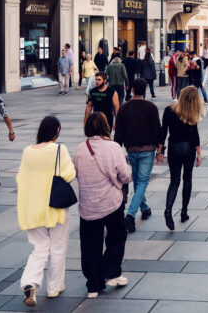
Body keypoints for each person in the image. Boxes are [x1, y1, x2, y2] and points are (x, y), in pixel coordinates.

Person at [16, 115, 76, 307]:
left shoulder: (27, 151)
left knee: (39, 248)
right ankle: (54, 287)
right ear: (57, 131)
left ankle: (29, 282)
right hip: (55, 207)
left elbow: (20, 178)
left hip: (32, 208)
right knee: (58, 248)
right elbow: (69, 174)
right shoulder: (59, 149)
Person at [75, 112, 131, 299]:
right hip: (110, 203)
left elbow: (76, 172)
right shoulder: (113, 147)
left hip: (88, 205)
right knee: (117, 236)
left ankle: (93, 284)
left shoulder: (80, 149)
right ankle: (111, 271)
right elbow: (125, 176)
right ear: (105, 126)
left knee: (90, 245)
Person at [114, 79, 161, 233]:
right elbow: (157, 130)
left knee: (138, 181)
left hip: (131, 149)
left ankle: (145, 208)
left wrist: (116, 149)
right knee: (142, 182)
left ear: (132, 89)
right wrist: (160, 149)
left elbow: (119, 132)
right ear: (145, 90)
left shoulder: (123, 108)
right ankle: (131, 216)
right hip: (148, 149)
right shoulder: (151, 107)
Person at [157, 87, 202, 231]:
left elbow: (163, 131)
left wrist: (160, 150)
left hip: (174, 147)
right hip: (188, 148)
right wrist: (199, 153)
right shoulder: (192, 111)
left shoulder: (169, 110)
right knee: (187, 179)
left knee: (174, 181)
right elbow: (195, 134)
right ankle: (184, 212)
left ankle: (168, 209)